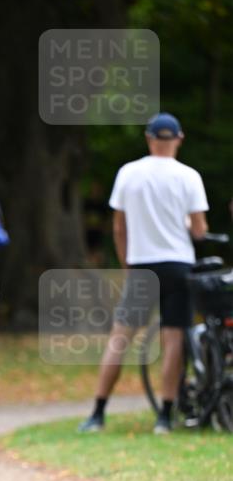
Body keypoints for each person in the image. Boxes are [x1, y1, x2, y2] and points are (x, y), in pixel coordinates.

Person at [78, 113, 209, 435]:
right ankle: (164, 416)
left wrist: (127, 263)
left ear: (149, 138)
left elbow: (119, 227)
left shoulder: (128, 174)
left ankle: (98, 411)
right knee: (173, 338)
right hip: (178, 264)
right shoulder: (188, 176)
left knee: (120, 338)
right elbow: (199, 229)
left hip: (142, 264)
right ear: (179, 138)